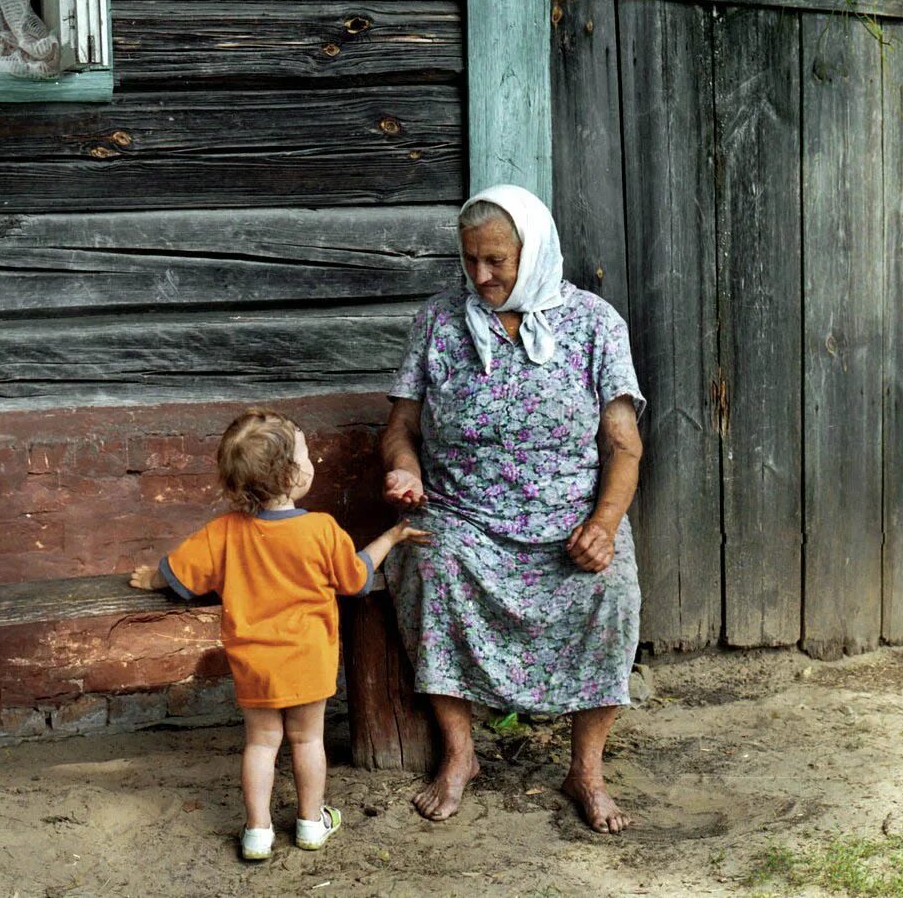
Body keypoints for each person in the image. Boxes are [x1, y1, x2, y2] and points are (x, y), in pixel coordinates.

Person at [381, 184, 645, 834]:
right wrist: (405, 467)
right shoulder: (441, 322)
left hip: (569, 523)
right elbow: (400, 427)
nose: (482, 275)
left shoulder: (593, 324)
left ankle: (585, 768)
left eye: (496, 260)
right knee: (432, 561)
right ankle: (460, 755)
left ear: (534, 251)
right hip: (464, 519)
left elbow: (623, 445)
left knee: (610, 587)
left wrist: (604, 526)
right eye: (470, 260)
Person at [130, 407, 429, 860]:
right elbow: (356, 579)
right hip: (309, 661)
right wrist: (392, 537)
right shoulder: (321, 530)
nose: (314, 463)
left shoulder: (224, 532)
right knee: (308, 741)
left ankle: (257, 831)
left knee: (260, 744)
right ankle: (311, 823)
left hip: (256, 665)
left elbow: (180, 576)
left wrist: (151, 577)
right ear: (291, 475)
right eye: (307, 455)